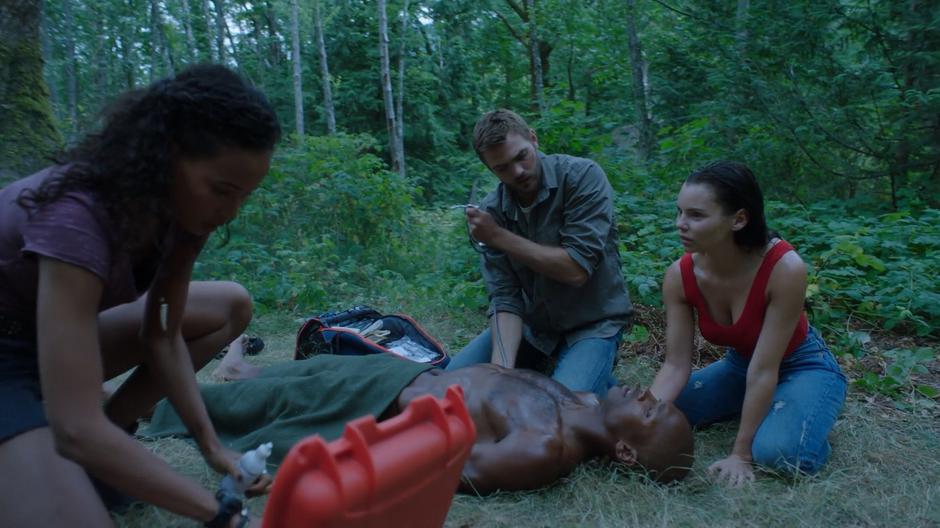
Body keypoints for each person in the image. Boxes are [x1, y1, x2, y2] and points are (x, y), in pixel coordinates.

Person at [0, 64, 281, 527]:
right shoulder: (77, 217)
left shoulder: (182, 216)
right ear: (164, 156)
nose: (229, 212)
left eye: (243, 197)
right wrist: (220, 513)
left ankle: (109, 435)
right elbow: (73, 428)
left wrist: (213, 448)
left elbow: (163, 335)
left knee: (229, 303)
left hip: (45, 341)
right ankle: (77, 444)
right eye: (221, 190)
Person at [145, 351, 695, 494]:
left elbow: (436, 469)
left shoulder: (541, 449)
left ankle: (132, 406)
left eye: (649, 409)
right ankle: (241, 369)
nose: (646, 391)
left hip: (371, 408)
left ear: (624, 451)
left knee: (245, 408)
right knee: (281, 375)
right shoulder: (580, 398)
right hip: (395, 373)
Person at [649, 161, 847, 486]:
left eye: (696, 215)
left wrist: (741, 453)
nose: (680, 224)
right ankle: (767, 411)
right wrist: (637, 420)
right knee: (671, 413)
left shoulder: (785, 267)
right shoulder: (679, 276)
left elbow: (764, 369)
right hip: (740, 368)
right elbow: (674, 366)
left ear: (739, 219)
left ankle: (803, 413)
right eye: (680, 212)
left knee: (778, 453)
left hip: (803, 366)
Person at [447, 109, 633, 398]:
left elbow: (576, 269)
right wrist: (501, 374)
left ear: (533, 139)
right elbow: (505, 298)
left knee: (557, 410)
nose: (518, 172)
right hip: (534, 327)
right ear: (490, 169)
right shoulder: (493, 209)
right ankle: (571, 372)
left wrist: (498, 236)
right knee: (449, 387)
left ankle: (594, 379)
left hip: (594, 322)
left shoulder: (581, 176)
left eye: (521, 156)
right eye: (503, 167)